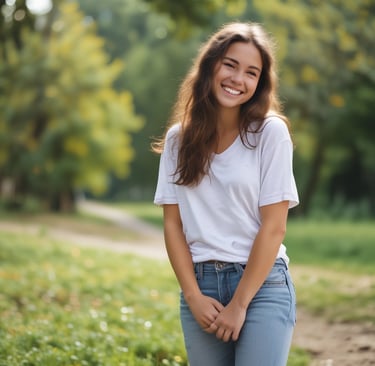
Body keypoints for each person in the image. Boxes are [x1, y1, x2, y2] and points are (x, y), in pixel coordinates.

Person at [153, 21, 299, 366]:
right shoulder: (178, 139)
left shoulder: (270, 133)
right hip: (201, 287)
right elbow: (173, 225)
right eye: (230, 64)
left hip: (262, 286)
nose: (238, 79)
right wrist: (193, 295)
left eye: (252, 72)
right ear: (210, 65)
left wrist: (240, 304)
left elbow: (274, 227)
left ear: (260, 83)